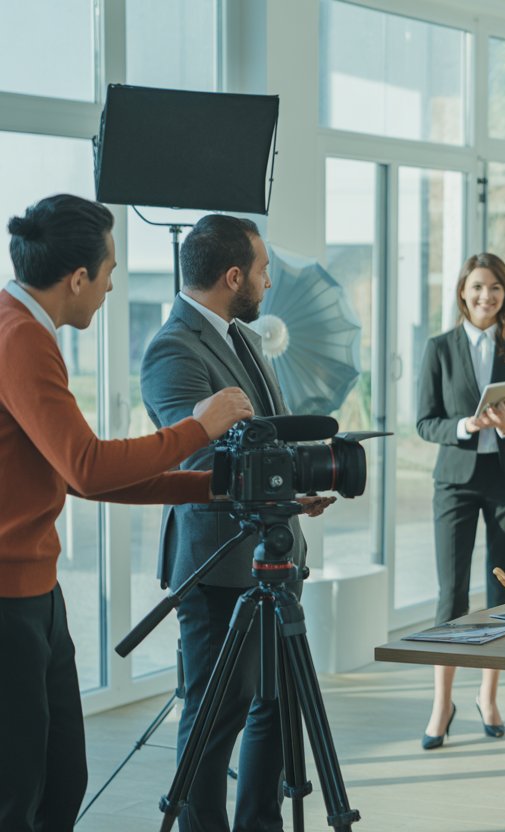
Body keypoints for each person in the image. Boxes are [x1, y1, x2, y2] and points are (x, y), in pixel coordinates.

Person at [0, 194, 253, 832]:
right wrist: (199, 428)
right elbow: (87, 465)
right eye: (111, 270)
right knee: (20, 794)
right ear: (78, 278)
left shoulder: (26, 327)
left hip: (35, 592)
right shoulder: (19, 337)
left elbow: (78, 477)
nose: (115, 283)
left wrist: (214, 490)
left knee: (61, 778)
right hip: (7, 601)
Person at [140, 214, 334, 832]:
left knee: (278, 708)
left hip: (274, 554)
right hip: (217, 562)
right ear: (232, 276)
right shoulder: (172, 347)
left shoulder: (244, 338)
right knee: (215, 714)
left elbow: (264, 438)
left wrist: (297, 484)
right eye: (262, 269)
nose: (268, 281)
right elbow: (193, 454)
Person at [416, 253, 505, 749]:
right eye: (478, 287)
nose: (487, 296)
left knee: (502, 595)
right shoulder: (439, 349)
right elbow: (425, 422)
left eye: (496, 289)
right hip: (456, 482)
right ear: (462, 292)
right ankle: (441, 702)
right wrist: (467, 425)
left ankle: (488, 696)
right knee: (452, 596)